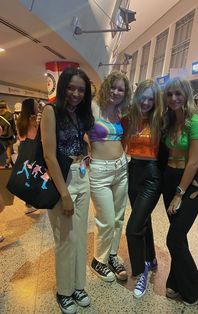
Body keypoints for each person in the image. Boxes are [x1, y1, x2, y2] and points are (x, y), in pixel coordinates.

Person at [40, 67, 94, 314]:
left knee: (80, 236)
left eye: (81, 90)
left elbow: (82, 138)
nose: (75, 93)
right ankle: (64, 291)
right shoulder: (51, 111)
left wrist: (87, 154)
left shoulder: (80, 113)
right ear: (62, 87)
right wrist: (64, 193)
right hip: (62, 179)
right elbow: (49, 156)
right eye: (71, 87)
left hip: (81, 174)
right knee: (65, 239)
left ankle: (78, 286)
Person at [161, 77, 198, 306]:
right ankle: (176, 279)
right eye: (169, 94)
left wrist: (179, 193)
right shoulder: (168, 121)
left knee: (174, 238)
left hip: (189, 186)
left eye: (178, 94)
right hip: (169, 181)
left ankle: (196, 282)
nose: (174, 98)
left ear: (187, 95)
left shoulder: (195, 122)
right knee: (179, 235)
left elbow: (193, 162)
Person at [88, 71, 131, 282]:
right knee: (105, 219)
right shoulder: (93, 107)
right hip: (99, 171)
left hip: (121, 168)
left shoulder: (121, 111)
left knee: (118, 217)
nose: (115, 92)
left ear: (125, 93)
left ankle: (112, 255)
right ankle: (98, 260)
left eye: (120, 89)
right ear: (106, 87)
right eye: (113, 87)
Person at [122, 79, 163, 298]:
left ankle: (141, 272)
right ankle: (152, 258)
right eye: (143, 97)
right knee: (144, 219)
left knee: (133, 228)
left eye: (151, 98)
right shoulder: (129, 119)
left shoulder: (161, 120)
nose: (146, 102)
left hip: (152, 176)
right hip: (133, 171)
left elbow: (177, 141)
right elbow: (107, 134)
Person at [16, 98, 42, 214]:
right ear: (32, 107)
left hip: (23, 148)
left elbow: (21, 137)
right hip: (33, 149)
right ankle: (31, 202)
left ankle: (29, 202)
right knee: (34, 175)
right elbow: (34, 136)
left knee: (28, 176)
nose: (38, 107)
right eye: (36, 105)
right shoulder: (33, 120)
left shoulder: (20, 121)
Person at [0, 99, 17, 168]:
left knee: (2, 151)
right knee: (9, 151)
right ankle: (8, 163)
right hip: (9, 137)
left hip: (1, 137)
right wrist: (15, 134)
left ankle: (7, 163)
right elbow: (13, 126)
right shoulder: (10, 114)